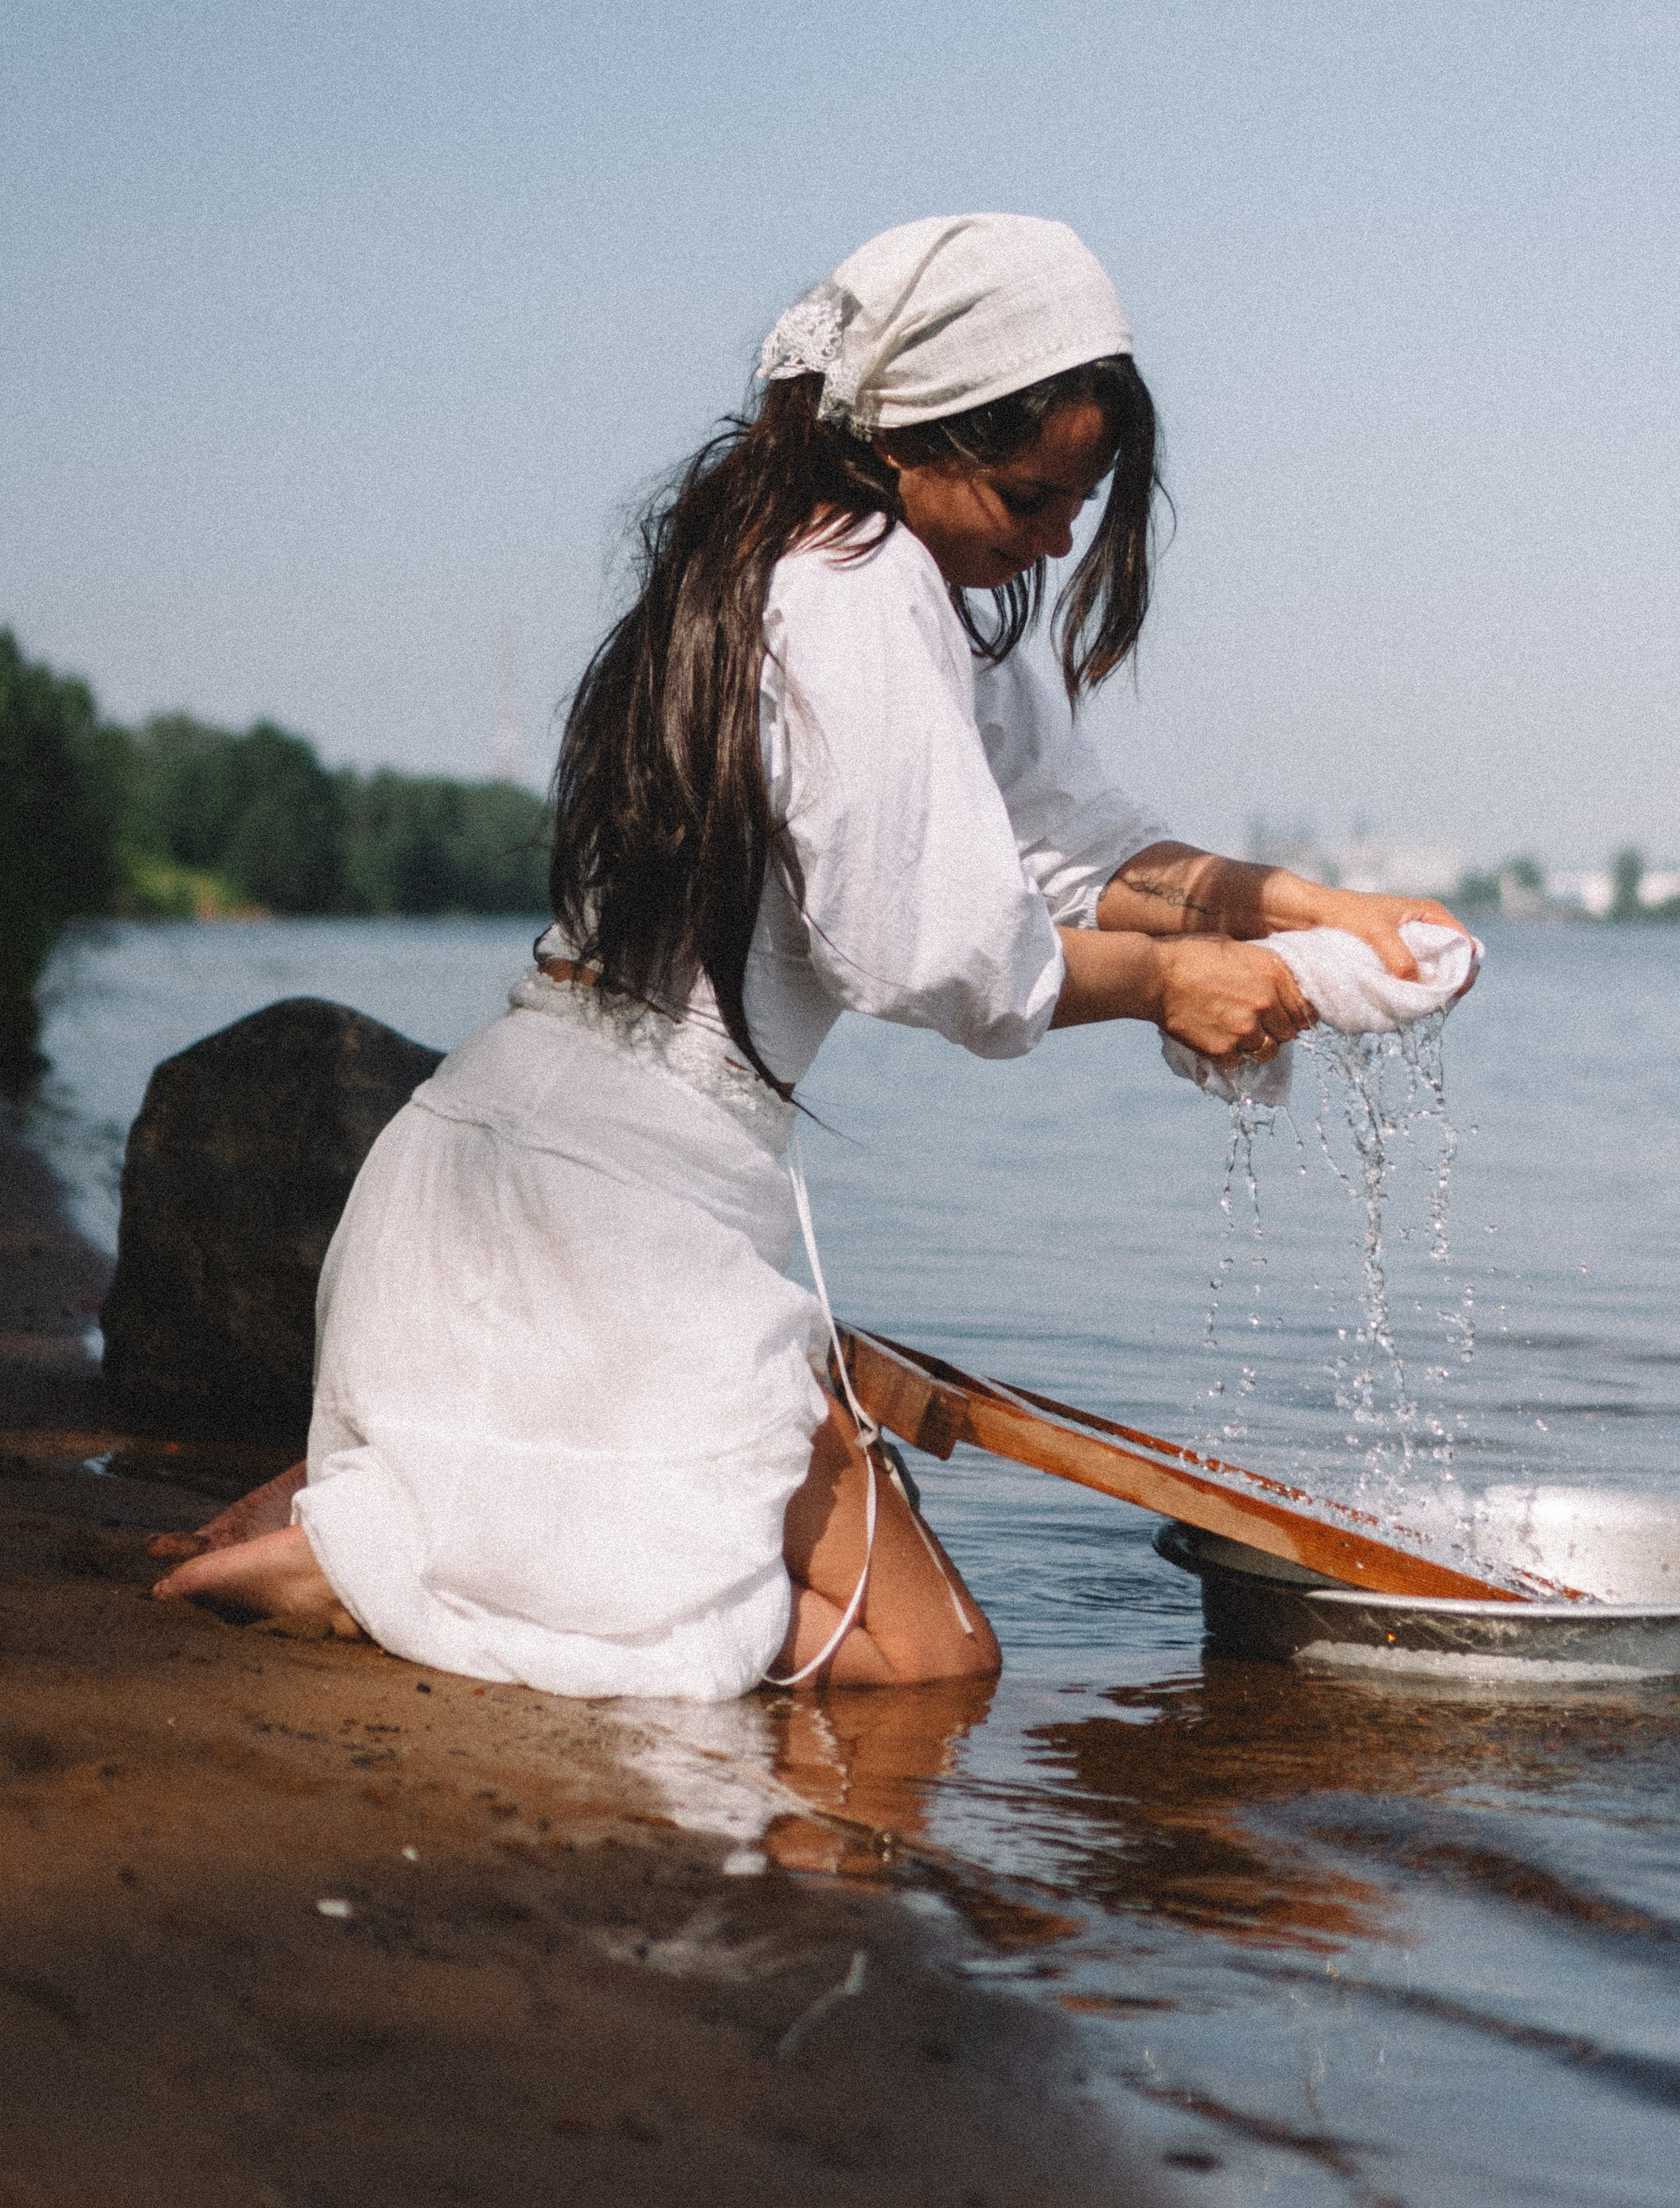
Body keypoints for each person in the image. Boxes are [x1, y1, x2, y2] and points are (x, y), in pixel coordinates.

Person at [158, 215, 1470, 1693]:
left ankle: (417, 1521)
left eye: (1079, 504)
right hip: (613, 1228)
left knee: (844, 1628)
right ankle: (379, 1561)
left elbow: (1078, 848)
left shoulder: (808, 566)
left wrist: (1321, 913)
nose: (1054, 541)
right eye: (1030, 495)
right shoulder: (860, 585)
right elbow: (931, 948)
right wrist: (1169, 982)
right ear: (909, 435)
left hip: (492, 1181)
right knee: (928, 1665)